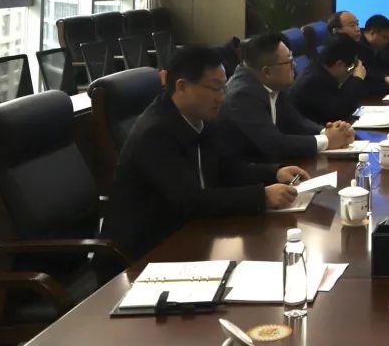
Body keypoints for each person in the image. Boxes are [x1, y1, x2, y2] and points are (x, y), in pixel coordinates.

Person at [100, 46, 311, 262]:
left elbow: (228, 168)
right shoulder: (155, 133)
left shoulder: (203, 119)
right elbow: (190, 200)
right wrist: (262, 197)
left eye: (224, 87)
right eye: (216, 88)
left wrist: (275, 173)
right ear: (182, 87)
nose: (222, 97)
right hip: (149, 249)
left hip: (196, 230)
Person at [219, 33, 354, 163]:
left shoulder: (273, 83)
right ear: (267, 72)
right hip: (252, 171)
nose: (294, 65)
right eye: (289, 61)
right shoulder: (242, 96)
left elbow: (296, 122)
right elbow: (274, 144)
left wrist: (328, 131)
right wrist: (327, 140)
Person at [291, 34, 367, 125]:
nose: (351, 71)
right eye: (350, 67)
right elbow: (339, 112)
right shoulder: (312, 82)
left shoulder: (321, 69)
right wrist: (358, 79)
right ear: (339, 64)